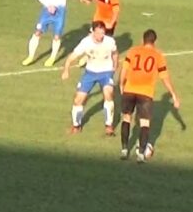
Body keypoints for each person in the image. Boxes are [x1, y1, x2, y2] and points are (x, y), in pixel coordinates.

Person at [119, 29, 180, 162]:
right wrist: (173, 94)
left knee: (126, 118)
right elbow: (165, 77)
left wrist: (121, 83)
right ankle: (141, 154)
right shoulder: (158, 56)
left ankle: (124, 149)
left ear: (143, 40)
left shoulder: (133, 51)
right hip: (145, 93)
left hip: (130, 89)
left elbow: (124, 68)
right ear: (155, 42)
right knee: (145, 123)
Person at [22, 0, 89, 67]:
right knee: (38, 32)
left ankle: (52, 58)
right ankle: (30, 56)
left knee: (57, 36)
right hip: (47, 10)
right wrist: (48, 5)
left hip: (60, 11)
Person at [61, 21, 119, 135]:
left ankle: (109, 126)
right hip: (90, 73)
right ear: (93, 32)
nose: (100, 36)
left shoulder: (109, 41)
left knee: (108, 94)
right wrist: (66, 70)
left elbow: (115, 53)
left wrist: (115, 66)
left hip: (105, 72)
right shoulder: (85, 43)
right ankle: (76, 126)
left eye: (102, 33)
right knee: (79, 99)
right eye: (98, 33)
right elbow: (71, 57)